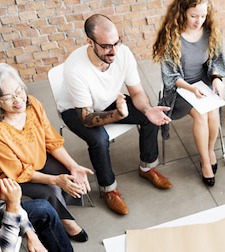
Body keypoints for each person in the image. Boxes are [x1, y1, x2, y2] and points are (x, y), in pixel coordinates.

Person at [57, 14, 173, 215]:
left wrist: (146, 109)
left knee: (150, 115)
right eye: (106, 46)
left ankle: (147, 167)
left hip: (109, 100)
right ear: (90, 42)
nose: (114, 51)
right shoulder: (75, 68)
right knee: (100, 140)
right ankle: (108, 188)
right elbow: (86, 118)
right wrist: (118, 115)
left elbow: (136, 93)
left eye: (117, 43)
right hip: (76, 110)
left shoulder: (123, 54)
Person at [0, 63, 93, 242]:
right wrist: (55, 181)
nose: (17, 100)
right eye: (8, 97)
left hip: (38, 159)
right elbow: (17, 171)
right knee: (50, 190)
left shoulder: (32, 104)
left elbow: (51, 140)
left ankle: (60, 209)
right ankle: (67, 223)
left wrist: (73, 165)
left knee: (68, 172)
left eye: (19, 91)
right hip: (10, 175)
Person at [153, 0, 225, 187]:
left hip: (203, 84)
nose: (199, 21)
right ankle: (204, 161)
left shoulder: (210, 32)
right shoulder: (172, 36)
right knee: (201, 115)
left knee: (213, 112)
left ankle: (210, 151)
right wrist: (192, 88)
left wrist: (217, 78)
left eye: (203, 15)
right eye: (193, 16)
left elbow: (216, 60)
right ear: (183, 12)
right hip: (180, 90)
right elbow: (170, 76)